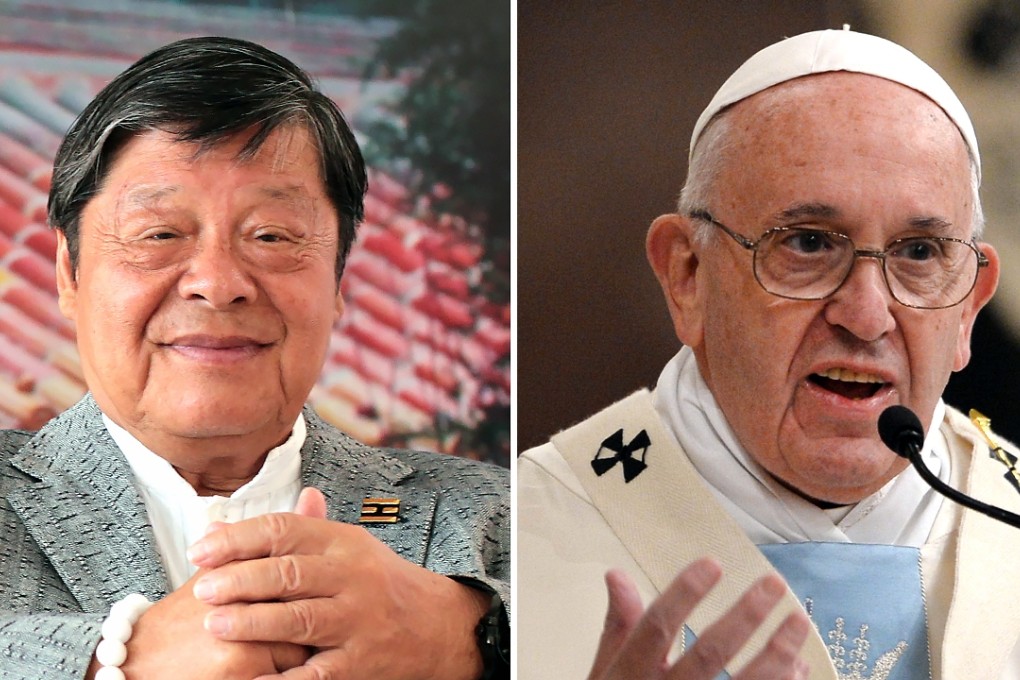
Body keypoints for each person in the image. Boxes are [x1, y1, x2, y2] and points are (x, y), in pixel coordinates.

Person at [518, 27, 1020, 680]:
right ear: (688, 276)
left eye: (919, 253)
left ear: (969, 307)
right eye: (809, 244)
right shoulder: (521, 538)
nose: (867, 316)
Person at [0, 37, 509, 680]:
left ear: (338, 280)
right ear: (70, 274)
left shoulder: (503, 514)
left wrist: (473, 642)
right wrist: (114, 661)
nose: (217, 282)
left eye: (271, 235)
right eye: (160, 234)